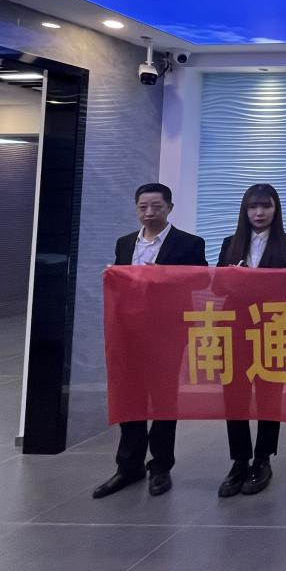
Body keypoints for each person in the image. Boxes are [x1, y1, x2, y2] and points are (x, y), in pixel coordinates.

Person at [93, 183, 206, 499]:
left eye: (156, 206)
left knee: (163, 400)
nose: (149, 212)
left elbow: (201, 281)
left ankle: (160, 466)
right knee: (130, 397)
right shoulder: (125, 242)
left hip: (167, 332)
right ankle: (128, 465)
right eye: (143, 207)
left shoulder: (189, 243)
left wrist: (166, 276)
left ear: (169, 207)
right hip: (128, 332)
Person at [216, 183, 286, 498]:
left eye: (266, 206)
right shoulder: (230, 243)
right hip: (235, 329)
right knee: (234, 395)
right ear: (245, 210)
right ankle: (239, 460)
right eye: (253, 206)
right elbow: (215, 287)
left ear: (276, 210)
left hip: (273, 327)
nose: (259, 213)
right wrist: (231, 278)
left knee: (269, 394)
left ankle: (263, 458)